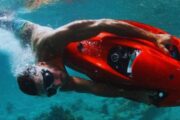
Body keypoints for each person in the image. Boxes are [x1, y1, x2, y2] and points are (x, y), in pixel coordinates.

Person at [0, 14, 171, 105]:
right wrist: (132, 94)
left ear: (42, 64)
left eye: (48, 78)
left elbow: (102, 24)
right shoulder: (56, 84)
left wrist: (153, 38)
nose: (58, 83)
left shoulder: (50, 42)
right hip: (32, 52)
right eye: (51, 91)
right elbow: (95, 88)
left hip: (23, 30)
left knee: (6, 22)